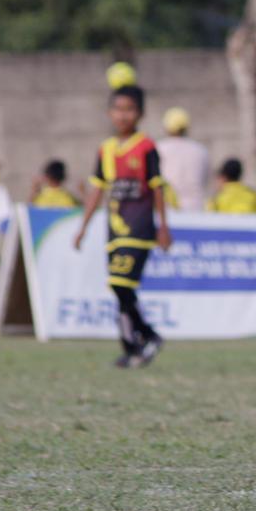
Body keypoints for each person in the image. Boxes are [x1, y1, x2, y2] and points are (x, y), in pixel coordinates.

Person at [73, 86, 173, 368]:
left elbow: (157, 189)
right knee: (121, 290)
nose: (123, 115)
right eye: (118, 109)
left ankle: (149, 335)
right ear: (109, 113)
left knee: (119, 283)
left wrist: (163, 227)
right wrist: (83, 227)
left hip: (139, 228)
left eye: (129, 109)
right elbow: (97, 190)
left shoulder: (146, 147)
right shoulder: (105, 149)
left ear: (139, 113)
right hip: (114, 230)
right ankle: (132, 348)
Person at [157, 107, 210, 211]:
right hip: (196, 207)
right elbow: (205, 179)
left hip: (168, 209)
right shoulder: (201, 150)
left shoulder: (159, 148)